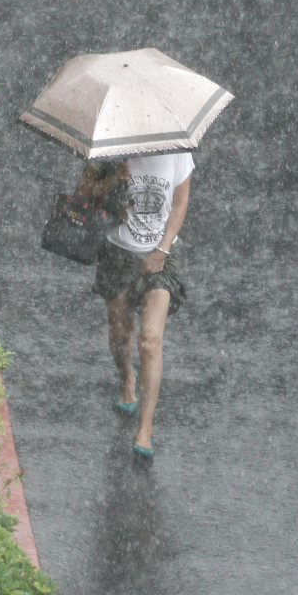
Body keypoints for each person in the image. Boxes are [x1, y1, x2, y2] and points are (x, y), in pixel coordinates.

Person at [81, 150, 194, 459]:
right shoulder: (112, 148)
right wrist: (112, 181)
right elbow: (84, 192)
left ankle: (145, 428)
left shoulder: (178, 150)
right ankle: (126, 378)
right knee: (120, 332)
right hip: (117, 254)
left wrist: (162, 249)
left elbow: (181, 202)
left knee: (150, 341)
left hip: (161, 257)